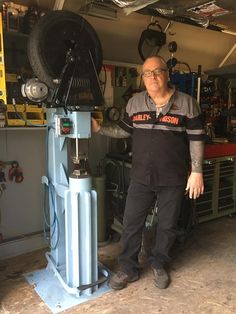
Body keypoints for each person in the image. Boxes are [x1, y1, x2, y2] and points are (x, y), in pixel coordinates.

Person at [92, 56, 204, 290]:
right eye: (147, 73)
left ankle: (159, 263)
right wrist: (100, 128)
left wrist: (196, 171)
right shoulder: (134, 103)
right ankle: (128, 269)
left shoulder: (187, 103)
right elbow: (123, 131)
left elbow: (196, 139)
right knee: (132, 223)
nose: (152, 77)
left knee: (167, 225)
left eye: (157, 71)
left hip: (173, 178)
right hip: (141, 177)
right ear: (142, 78)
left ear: (167, 74)